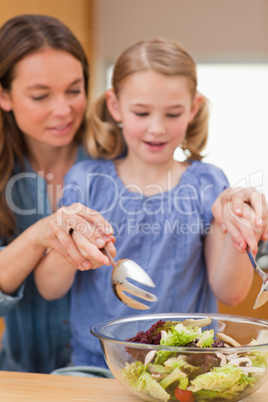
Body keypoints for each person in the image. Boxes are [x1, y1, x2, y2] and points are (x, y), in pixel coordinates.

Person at [34, 38, 268, 370]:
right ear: (115, 106)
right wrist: (73, 242)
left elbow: (230, 293)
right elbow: (48, 288)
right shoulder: (86, 181)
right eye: (141, 112)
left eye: (172, 113)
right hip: (98, 366)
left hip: (190, 365)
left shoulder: (208, 183)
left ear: (193, 108)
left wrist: (241, 228)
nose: (156, 128)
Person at [0, 14, 115, 373]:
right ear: (4, 95)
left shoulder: (119, 155)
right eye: (40, 95)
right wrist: (40, 233)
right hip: (21, 379)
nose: (63, 110)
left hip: (110, 380)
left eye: (74, 90)